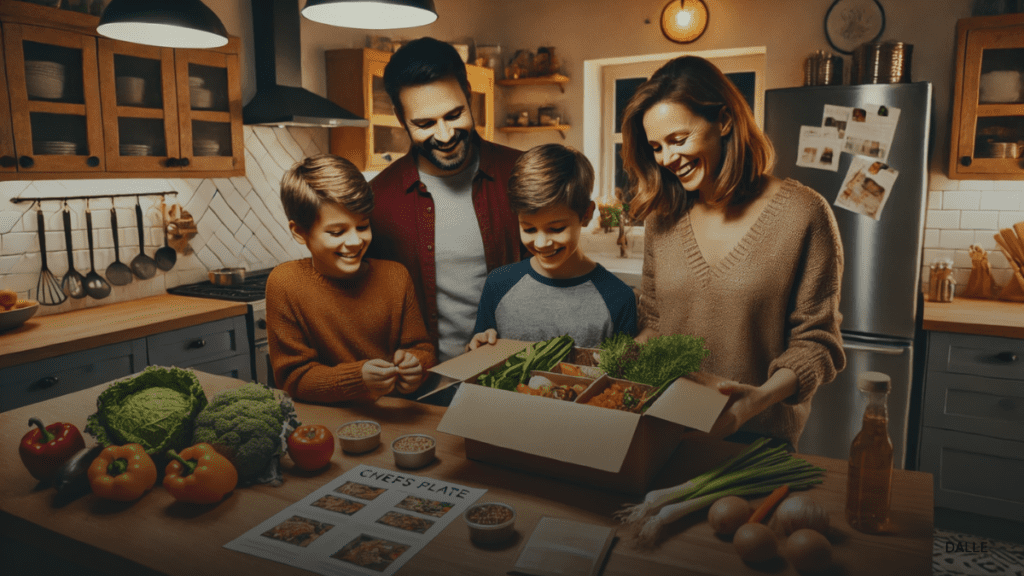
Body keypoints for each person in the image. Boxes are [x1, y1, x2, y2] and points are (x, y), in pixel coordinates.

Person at [620, 56, 845, 449]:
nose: (667, 159)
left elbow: (817, 342)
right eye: (656, 147)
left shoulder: (803, 214)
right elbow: (656, 321)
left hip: (758, 441)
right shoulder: (663, 218)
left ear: (723, 121)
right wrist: (612, 364)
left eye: (678, 139)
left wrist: (755, 400)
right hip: (667, 432)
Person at [368, 37, 524, 364]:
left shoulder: (522, 174)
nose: (444, 135)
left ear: (468, 95)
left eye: (454, 114)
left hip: (518, 377)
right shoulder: (378, 200)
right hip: (426, 388)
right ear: (400, 117)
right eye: (424, 124)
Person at [267, 154, 435, 403]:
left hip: (397, 416)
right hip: (326, 426)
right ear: (299, 232)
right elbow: (293, 378)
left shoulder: (396, 277)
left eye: (363, 226)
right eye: (337, 232)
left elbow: (423, 349)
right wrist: (357, 379)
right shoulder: (285, 283)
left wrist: (416, 366)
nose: (355, 241)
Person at [467, 144, 638, 351]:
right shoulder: (498, 284)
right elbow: (478, 356)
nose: (541, 243)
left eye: (556, 229)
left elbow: (622, 381)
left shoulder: (619, 298)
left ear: (586, 214)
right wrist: (477, 349)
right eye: (529, 229)